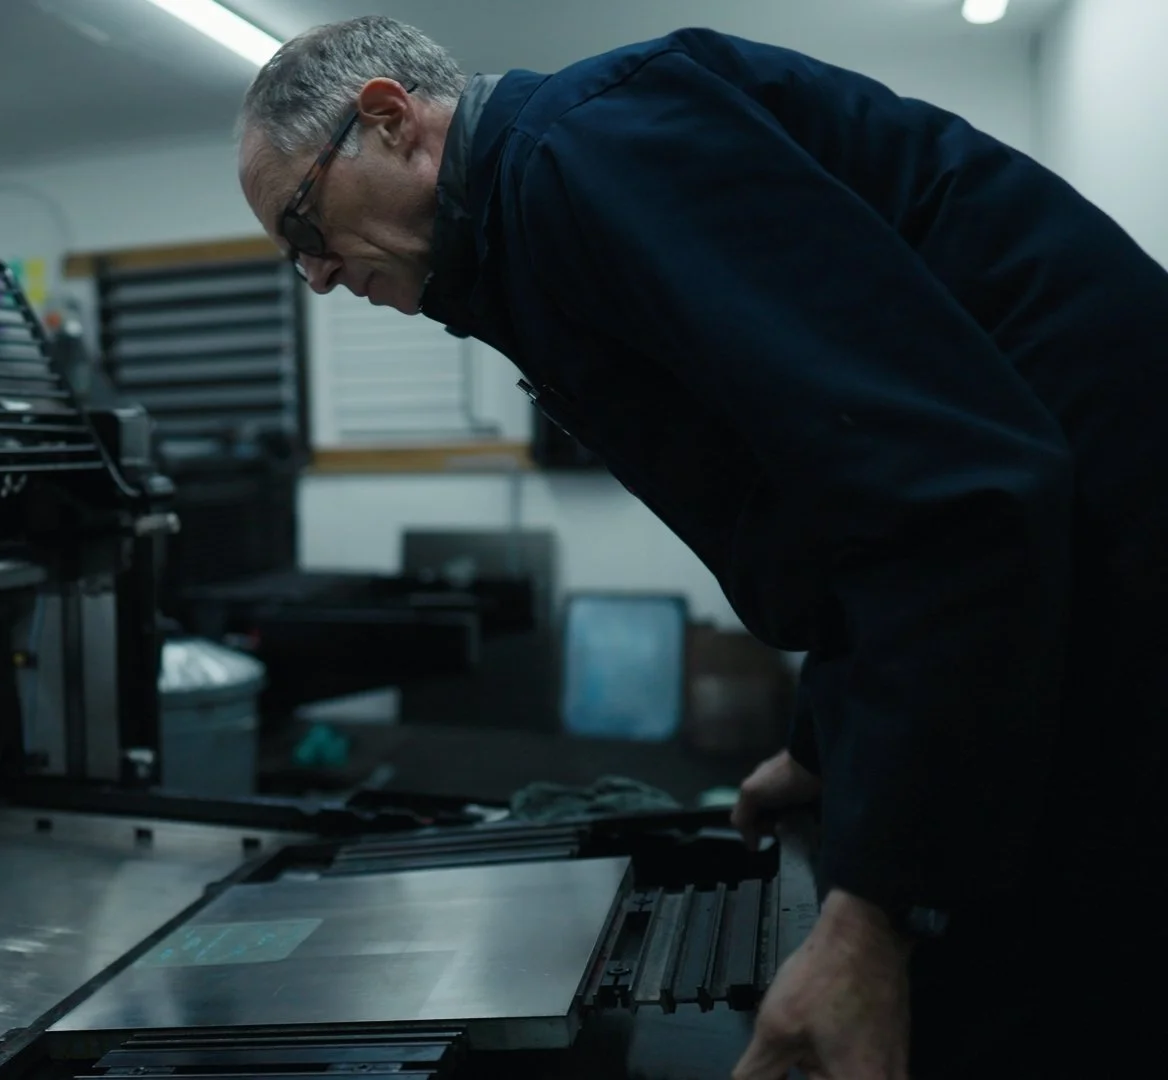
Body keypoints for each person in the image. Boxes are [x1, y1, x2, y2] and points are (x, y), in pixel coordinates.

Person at [235, 16, 1168, 1079]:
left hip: (1108, 590)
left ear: (391, 121)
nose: (311, 275)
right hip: (1046, 577)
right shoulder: (534, 221)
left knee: (1037, 1007)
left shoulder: (596, 153)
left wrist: (871, 920)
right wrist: (821, 746)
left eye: (303, 222)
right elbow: (833, 508)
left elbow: (946, 498)